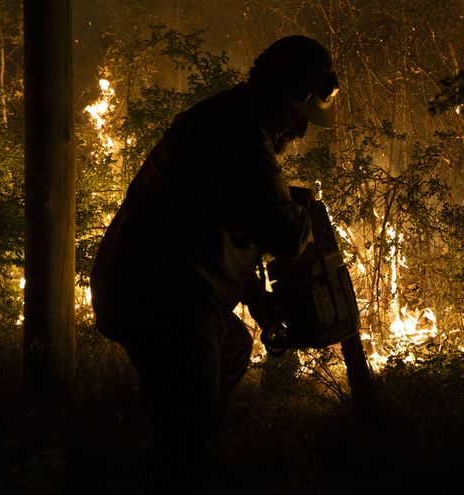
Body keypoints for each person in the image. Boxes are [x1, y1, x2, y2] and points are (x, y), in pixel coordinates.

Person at [89, 35, 339, 492]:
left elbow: (215, 232)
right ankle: (177, 459)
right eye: (296, 116)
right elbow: (283, 235)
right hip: (159, 296)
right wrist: (307, 213)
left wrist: (257, 300)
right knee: (186, 427)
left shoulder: (231, 120)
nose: (300, 132)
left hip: (159, 285)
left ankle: (180, 438)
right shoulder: (238, 136)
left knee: (231, 347)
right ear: (276, 93)